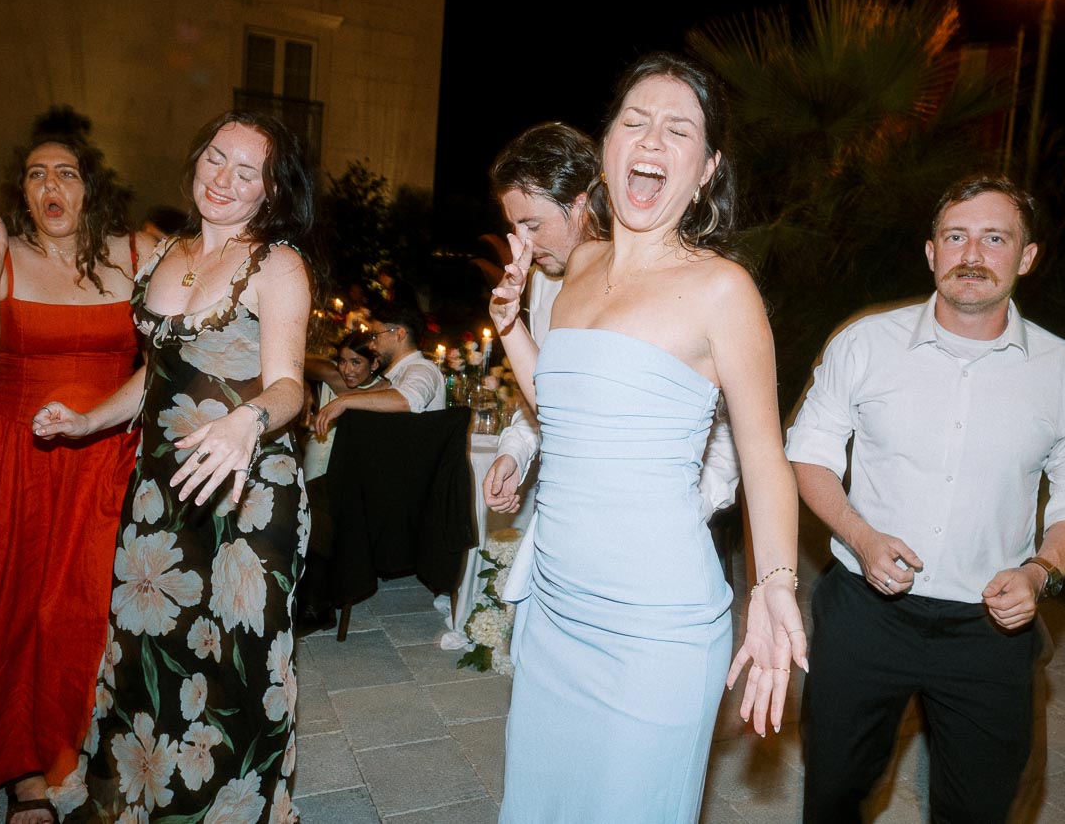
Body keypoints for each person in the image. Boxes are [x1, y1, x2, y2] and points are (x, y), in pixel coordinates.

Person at [489, 52, 807, 823]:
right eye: (634, 122)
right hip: (556, 613)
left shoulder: (721, 289)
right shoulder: (575, 273)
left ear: (705, 170)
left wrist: (774, 588)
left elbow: (766, 460)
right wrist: (513, 335)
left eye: (678, 129)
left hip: (654, 632)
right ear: (607, 148)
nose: (652, 140)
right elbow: (568, 419)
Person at [786, 175, 1065, 822]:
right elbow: (811, 452)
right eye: (956, 236)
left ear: (1026, 257)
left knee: (979, 807)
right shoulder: (865, 344)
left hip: (991, 629)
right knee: (832, 791)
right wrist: (860, 535)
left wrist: (1040, 572)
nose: (973, 254)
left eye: (995, 238)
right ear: (931, 251)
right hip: (864, 615)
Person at [33, 110, 322, 822]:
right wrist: (88, 420)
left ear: (271, 192)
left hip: (248, 494)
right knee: (146, 656)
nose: (222, 179)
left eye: (245, 171)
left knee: (235, 672)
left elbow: (291, 385)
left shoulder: (277, 264)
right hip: (162, 492)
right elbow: (159, 372)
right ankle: (145, 803)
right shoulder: (166, 254)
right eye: (215, 158)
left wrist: (243, 421)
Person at [0, 110, 141, 824]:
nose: (52, 184)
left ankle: (89, 736)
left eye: (67, 172)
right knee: (21, 609)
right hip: (13, 458)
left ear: (90, 189)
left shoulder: (135, 255)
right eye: (37, 173)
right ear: (22, 191)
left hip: (107, 457)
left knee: (90, 608)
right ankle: (25, 772)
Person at [482, 123, 740, 522]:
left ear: (581, 205)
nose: (522, 245)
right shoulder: (542, 282)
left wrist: (693, 509)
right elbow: (550, 391)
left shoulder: (674, 278)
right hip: (571, 510)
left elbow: (724, 422)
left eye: (532, 226)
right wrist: (513, 453)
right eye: (514, 227)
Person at [298, 331, 384, 631]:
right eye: (342, 361)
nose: (347, 370)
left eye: (356, 362)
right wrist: (306, 388)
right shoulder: (335, 380)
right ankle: (313, 603)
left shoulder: (384, 391)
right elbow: (299, 360)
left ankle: (316, 604)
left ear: (374, 364)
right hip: (318, 468)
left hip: (354, 479)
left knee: (323, 513)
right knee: (313, 511)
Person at [311, 301, 444, 435]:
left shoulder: (423, 369)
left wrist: (343, 402)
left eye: (375, 336)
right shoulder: (398, 375)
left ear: (400, 334)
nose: (371, 345)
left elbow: (409, 400)